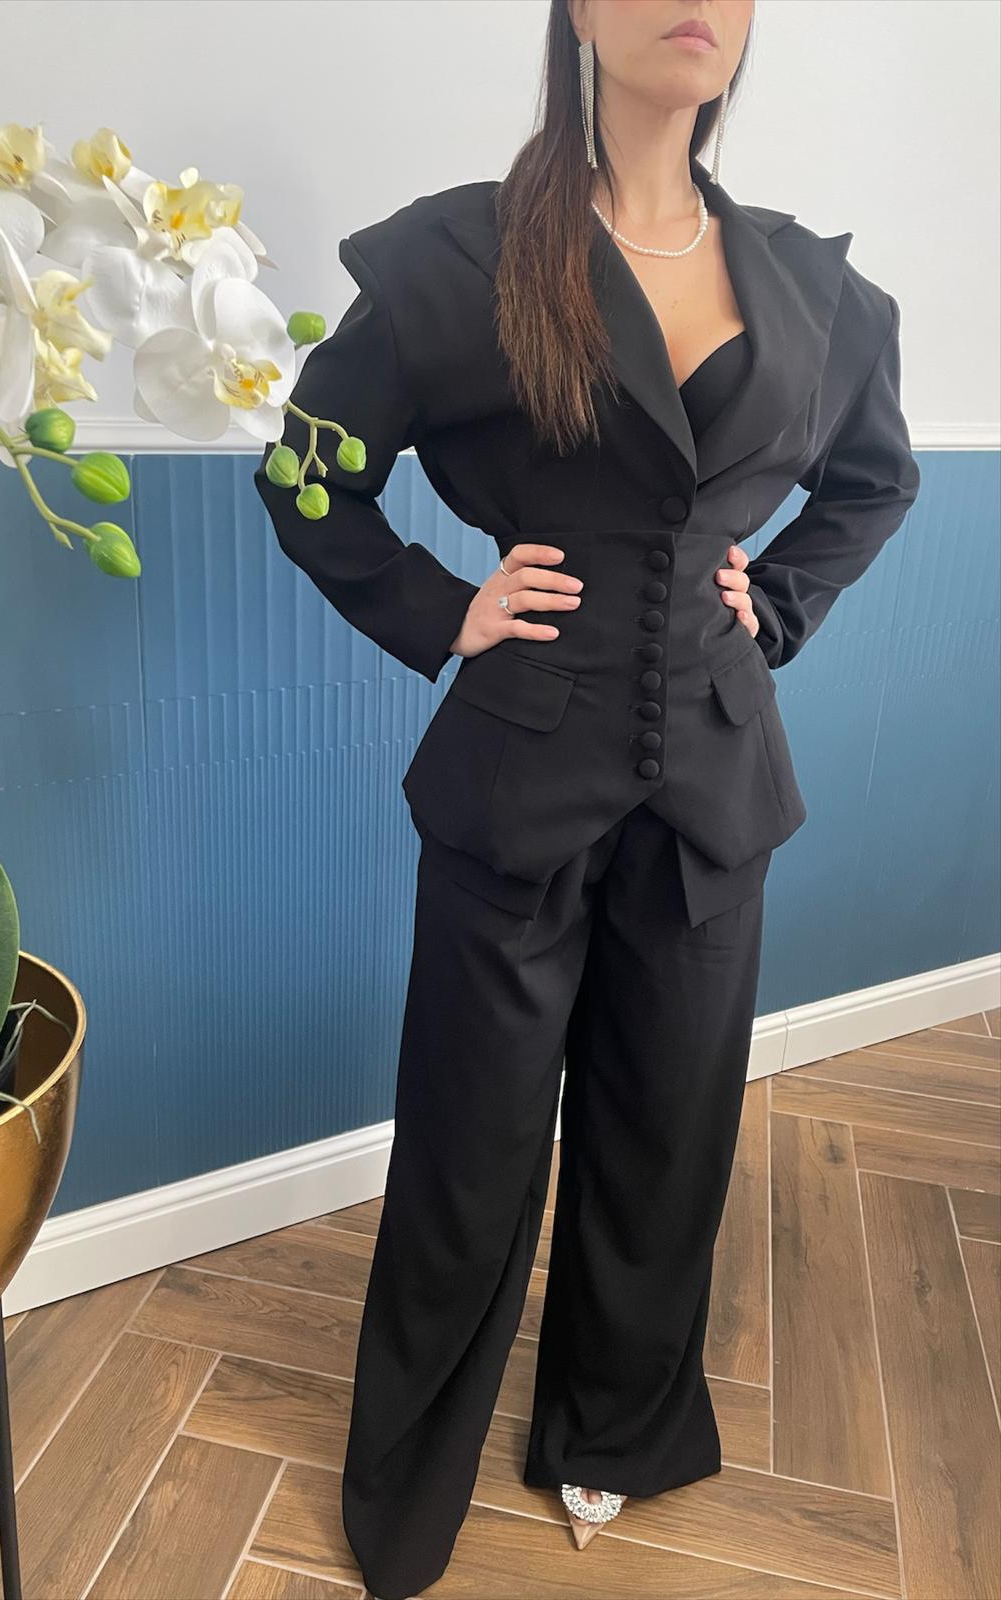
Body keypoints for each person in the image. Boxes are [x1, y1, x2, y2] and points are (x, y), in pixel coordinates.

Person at [255, 2, 921, 1595]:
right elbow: (305, 468)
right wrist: (442, 608)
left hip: (715, 782)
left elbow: (877, 479)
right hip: (518, 776)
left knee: (667, 1133)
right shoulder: (464, 258)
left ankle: (614, 1430)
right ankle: (413, 1467)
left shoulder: (816, 291)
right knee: (471, 1145)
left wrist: (780, 602)